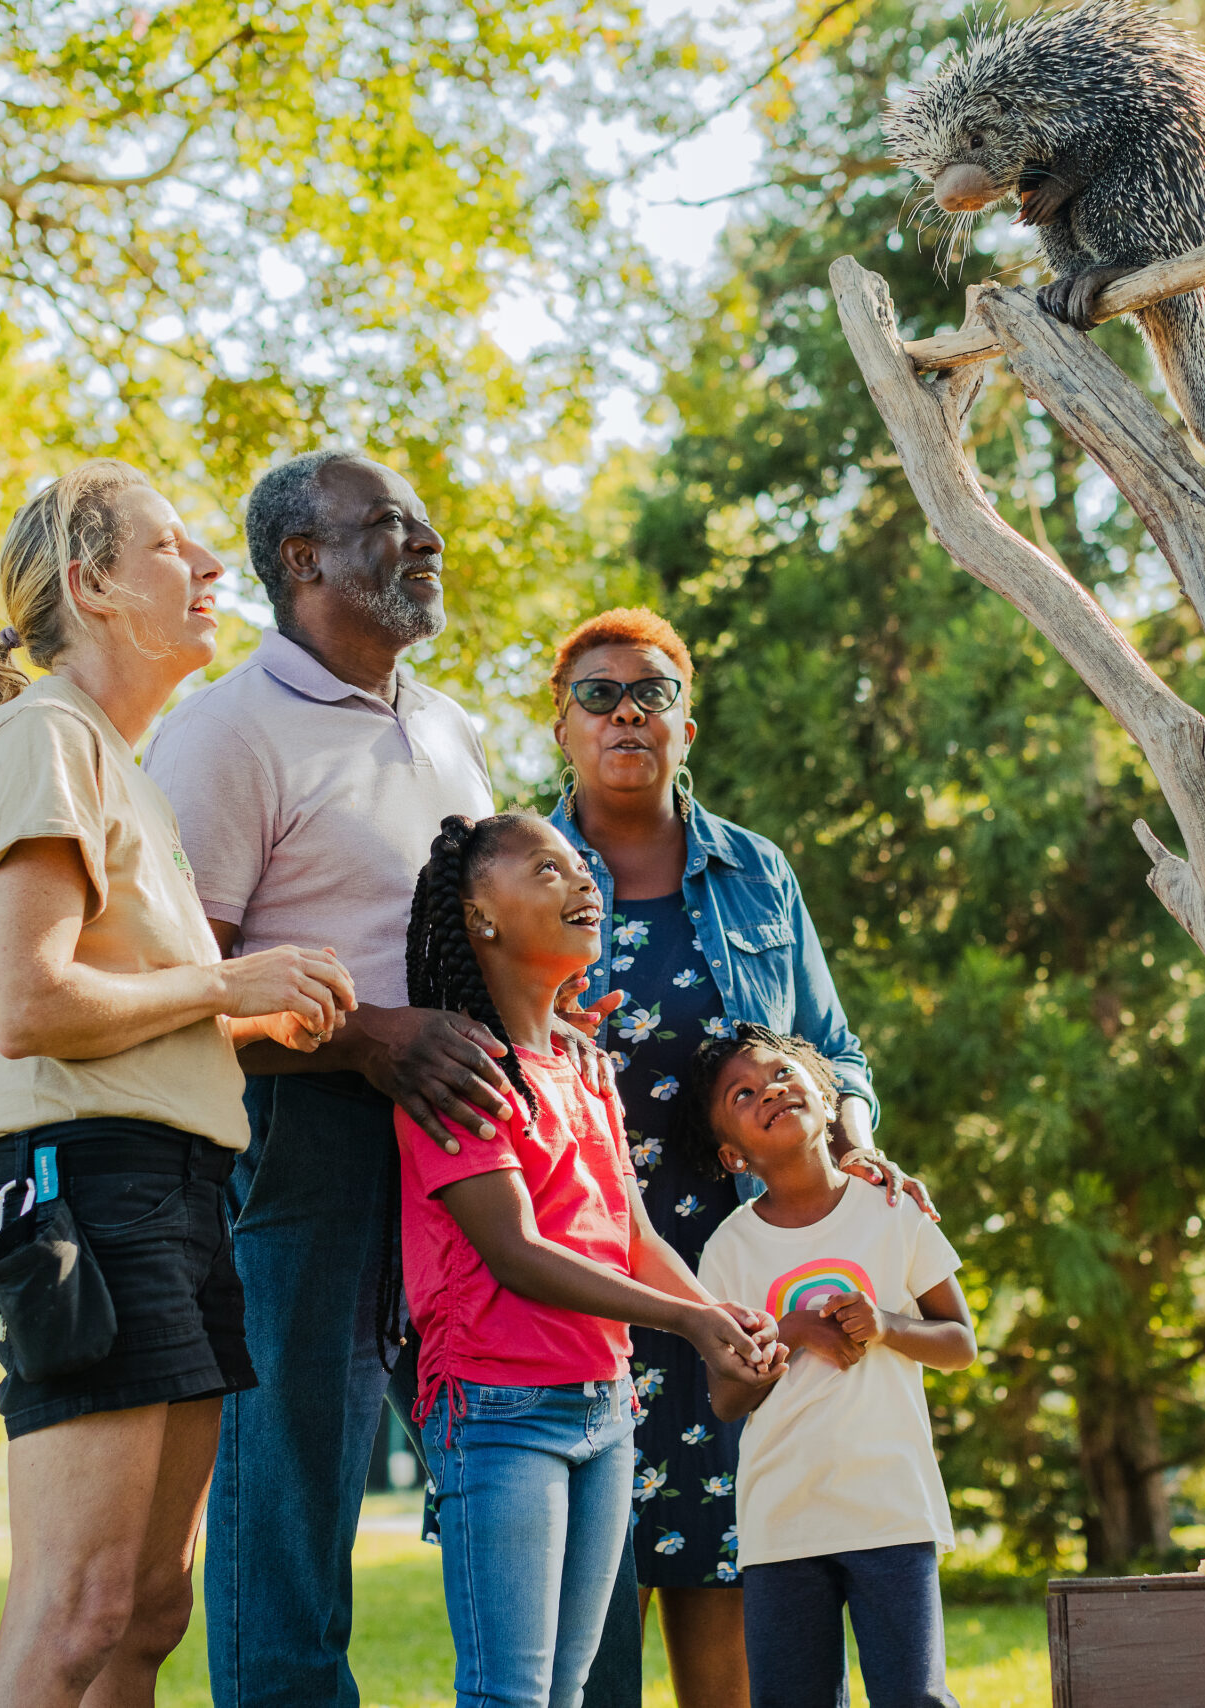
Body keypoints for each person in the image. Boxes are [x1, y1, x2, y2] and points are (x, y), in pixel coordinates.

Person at [143, 452, 616, 1706]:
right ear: (301, 561)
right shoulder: (222, 735)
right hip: (307, 1137)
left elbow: (474, 932)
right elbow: (177, 992)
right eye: (389, 527)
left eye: (424, 524)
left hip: (468, 1144)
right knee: (294, 1475)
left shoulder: (449, 725)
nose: (427, 543)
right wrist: (368, 1039)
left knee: (509, 1436)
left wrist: (545, 1017)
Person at [0, 460, 358, 1708]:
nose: (214, 567)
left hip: (172, 1188)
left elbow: (119, 1020)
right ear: (95, 584)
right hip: (84, 1194)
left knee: (150, 1612)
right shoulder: (46, 738)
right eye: (175, 547)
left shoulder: (126, 768)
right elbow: (29, 1006)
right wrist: (227, 986)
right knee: (78, 1613)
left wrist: (251, 1017)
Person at [546, 610, 934, 1708]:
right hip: (583, 1270)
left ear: (687, 726)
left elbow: (832, 1046)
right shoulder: (516, 864)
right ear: (562, 728)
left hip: (743, 1280)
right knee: (591, 1600)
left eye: (652, 693)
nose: (627, 711)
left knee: (736, 1561)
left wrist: (856, 1144)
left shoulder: (755, 871)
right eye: (599, 694)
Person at [394, 811, 790, 1708]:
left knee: (567, 1692)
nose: (583, 886)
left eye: (582, 870)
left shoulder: (584, 1067)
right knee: (511, 1694)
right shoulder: (461, 1074)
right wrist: (688, 1320)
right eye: (546, 870)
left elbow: (633, 1235)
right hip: (500, 1415)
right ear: (480, 916)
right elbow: (516, 1252)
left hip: (606, 1407)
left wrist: (714, 1314)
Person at [691, 1024, 977, 1708]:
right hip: (782, 1522)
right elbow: (727, 1401)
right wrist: (788, 1332)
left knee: (915, 1698)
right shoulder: (728, 1249)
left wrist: (888, 1325)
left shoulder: (892, 1212)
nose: (771, 1093)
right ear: (734, 1155)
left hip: (890, 1512)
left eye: (784, 1076)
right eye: (744, 1094)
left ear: (826, 1095)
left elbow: (961, 1343)